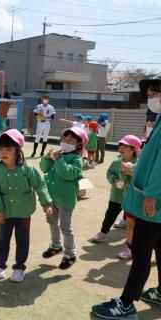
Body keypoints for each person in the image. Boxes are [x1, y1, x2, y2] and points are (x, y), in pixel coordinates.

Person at [92, 78, 161, 319]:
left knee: (141, 252)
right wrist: (137, 168)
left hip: (153, 201)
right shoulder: (159, 120)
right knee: (159, 248)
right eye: (150, 93)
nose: (152, 97)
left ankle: (126, 304)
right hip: (153, 197)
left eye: (156, 93)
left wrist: (152, 192)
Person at [0, 129, 53, 282]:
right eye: (0, 148)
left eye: (8, 149)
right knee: (2, 240)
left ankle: (19, 268)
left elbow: (40, 185)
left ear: (18, 150)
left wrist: (46, 203)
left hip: (24, 213)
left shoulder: (28, 169)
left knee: (22, 241)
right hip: (5, 213)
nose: (3, 152)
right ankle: (1, 265)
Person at [39, 127, 87, 269]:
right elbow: (44, 168)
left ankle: (70, 254)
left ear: (78, 144)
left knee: (66, 228)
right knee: (52, 222)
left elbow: (68, 174)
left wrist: (59, 160)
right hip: (52, 197)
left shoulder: (76, 159)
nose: (66, 142)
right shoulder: (59, 154)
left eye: (70, 140)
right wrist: (47, 158)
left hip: (66, 199)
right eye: (64, 139)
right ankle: (55, 245)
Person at [88, 135, 140, 248]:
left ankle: (128, 232)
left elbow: (140, 179)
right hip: (116, 195)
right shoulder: (116, 162)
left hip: (131, 196)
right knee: (110, 214)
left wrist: (127, 184)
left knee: (131, 216)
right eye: (120, 146)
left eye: (125, 147)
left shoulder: (138, 164)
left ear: (133, 149)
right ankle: (103, 232)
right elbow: (109, 173)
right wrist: (114, 180)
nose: (121, 149)